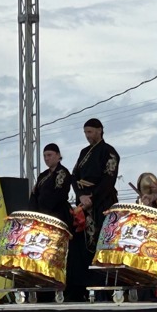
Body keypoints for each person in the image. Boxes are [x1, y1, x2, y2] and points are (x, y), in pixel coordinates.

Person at [67, 118, 120, 300]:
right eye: (85, 133)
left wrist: (93, 198)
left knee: (101, 246)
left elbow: (108, 181)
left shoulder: (110, 152)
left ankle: (104, 291)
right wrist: (81, 196)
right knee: (82, 248)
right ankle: (81, 290)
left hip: (102, 204)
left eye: (90, 132)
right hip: (84, 203)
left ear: (99, 131)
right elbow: (74, 176)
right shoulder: (83, 152)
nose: (88, 136)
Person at [28, 143, 73, 227]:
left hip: (57, 217)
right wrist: (33, 215)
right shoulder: (42, 175)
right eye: (44, 156)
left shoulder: (63, 173)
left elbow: (58, 196)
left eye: (49, 155)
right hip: (40, 217)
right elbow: (34, 194)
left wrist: (44, 213)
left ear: (58, 155)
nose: (46, 158)